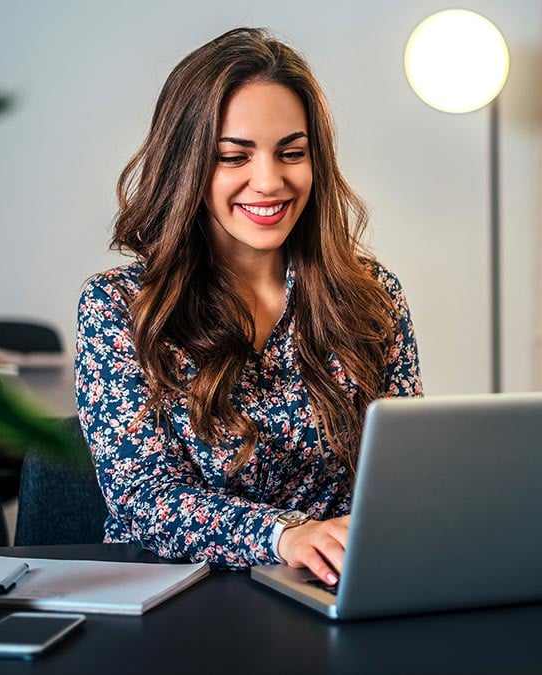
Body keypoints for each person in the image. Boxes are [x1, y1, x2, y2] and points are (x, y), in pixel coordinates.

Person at [74, 27, 423, 585]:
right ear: (186, 167)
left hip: (337, 591)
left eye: (292, 153)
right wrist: (285, 535)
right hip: (179, 604)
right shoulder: (122, 305)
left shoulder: (372, 296)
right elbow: (144, 501)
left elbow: (404, 473)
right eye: (234, 157)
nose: (270, 182)